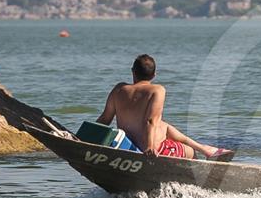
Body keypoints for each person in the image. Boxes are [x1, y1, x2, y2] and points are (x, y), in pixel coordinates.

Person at [96, 54, 234, 160]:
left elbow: (105, 118)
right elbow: (151, 121)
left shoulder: (119, 89)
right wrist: (150, 147)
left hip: (126, 146)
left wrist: (83, 137)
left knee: (164, 126)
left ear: (133, 72)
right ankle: (195, 180)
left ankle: (205, 149)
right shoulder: (157, 90)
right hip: (150, 150)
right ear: (154, 75)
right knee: (190, 152)